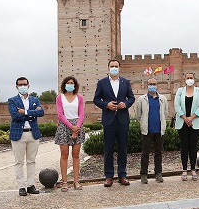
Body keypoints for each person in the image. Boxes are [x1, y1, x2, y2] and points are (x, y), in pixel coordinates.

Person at [93, 59, 135, 187]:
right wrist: (106, 105)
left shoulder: (125, 82)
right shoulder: (102, 83)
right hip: (109, 120)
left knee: (123, 148)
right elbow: (96, 99)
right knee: (108, 149)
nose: (114, 68)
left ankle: (122, 175)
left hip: (122, 120)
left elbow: (131, 98)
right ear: (108, 68)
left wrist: (125, 104)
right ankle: (109, 176)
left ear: (119, 68)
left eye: (116, 66)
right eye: (112, 66)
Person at [8, 77, 45, 196]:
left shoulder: (35, 99)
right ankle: (21, 186)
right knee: (19, 162)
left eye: (24, 84)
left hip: (33, 133)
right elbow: (15, 116)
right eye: (20, 85)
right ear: (16, 86)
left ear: (28, 85)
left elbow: (41, 113)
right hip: (18, 134)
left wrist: (25, 112)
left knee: (31, 161)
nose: (22, 86)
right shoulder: (12, 100)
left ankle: (31, 185)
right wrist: (32, 114)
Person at [55, 76, 86, 191]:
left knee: (76, 155)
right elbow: (60, 114)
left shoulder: (80, 98)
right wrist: (71, 127)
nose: (70, 84)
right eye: (68, 83)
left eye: (72, 83)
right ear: (64, 85)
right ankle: (64, 182)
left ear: (75, 85)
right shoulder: (60, 97)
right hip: (64, 125)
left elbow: (82, 113)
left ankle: (76, 181)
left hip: (77, 125)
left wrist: (76, 127)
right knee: (64, 155)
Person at [135, 77, 168, 184]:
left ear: (157, 85)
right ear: (147, 85)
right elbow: (139, 115)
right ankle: (143, 174)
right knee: (145, 153)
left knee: (159, 152)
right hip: (147, 131)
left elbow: (165, 113)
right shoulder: (141, 99)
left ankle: (158, 173)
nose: (152, 86)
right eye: (150, 84)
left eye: (154, 84)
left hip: (159, 130)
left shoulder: (162, 99)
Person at [174, 72, 199, 181]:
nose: (189, 79)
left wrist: (191, 118)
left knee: (193, 146)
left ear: (194, 79)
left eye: (191, 78)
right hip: (182, 122)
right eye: (188, 78)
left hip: (194, 122)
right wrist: (184, 118)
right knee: (184, 146)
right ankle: (184, 169)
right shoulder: (180, 91)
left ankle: (192, 168)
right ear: (184, 79)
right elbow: (177, 105)